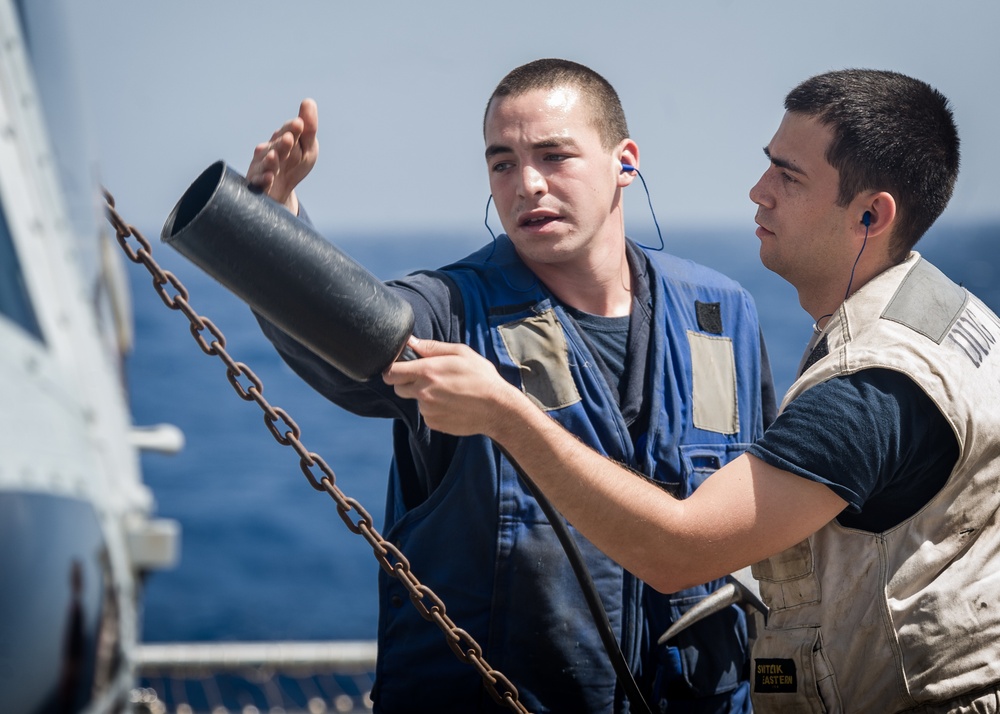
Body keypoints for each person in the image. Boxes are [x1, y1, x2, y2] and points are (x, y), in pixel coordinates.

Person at [386, 68, 1000, 712]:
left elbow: (681, 549)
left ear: (870, 214)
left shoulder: (868, 390)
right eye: (503, 162)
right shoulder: (949, 319)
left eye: (788, 177)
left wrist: (507, 414)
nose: (758, 192)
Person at [248, 59, 776, 712]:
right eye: (502, 163)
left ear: (625, 162)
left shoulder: (721, 316)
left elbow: (766, 526)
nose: (526, 184)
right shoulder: (452, 312)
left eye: (554, 156)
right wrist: (272, 223)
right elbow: (346, 343)